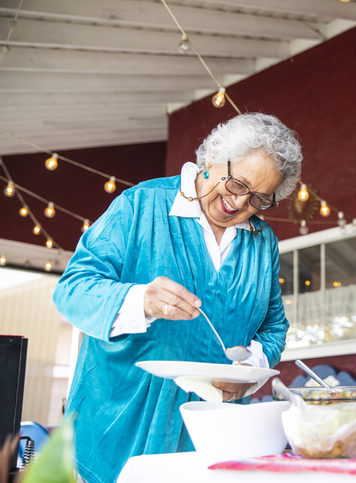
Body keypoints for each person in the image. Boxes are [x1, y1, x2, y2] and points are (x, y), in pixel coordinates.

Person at [52, 113, 302, 483]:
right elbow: (72, 290)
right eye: (236, 183)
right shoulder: (140, 206)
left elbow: (273, 325)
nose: (239, 202)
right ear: (214, 156)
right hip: (119, 424)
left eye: (259, 198)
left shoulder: (262, 242)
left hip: (213, 437)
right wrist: (140, 300)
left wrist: (251, 365)